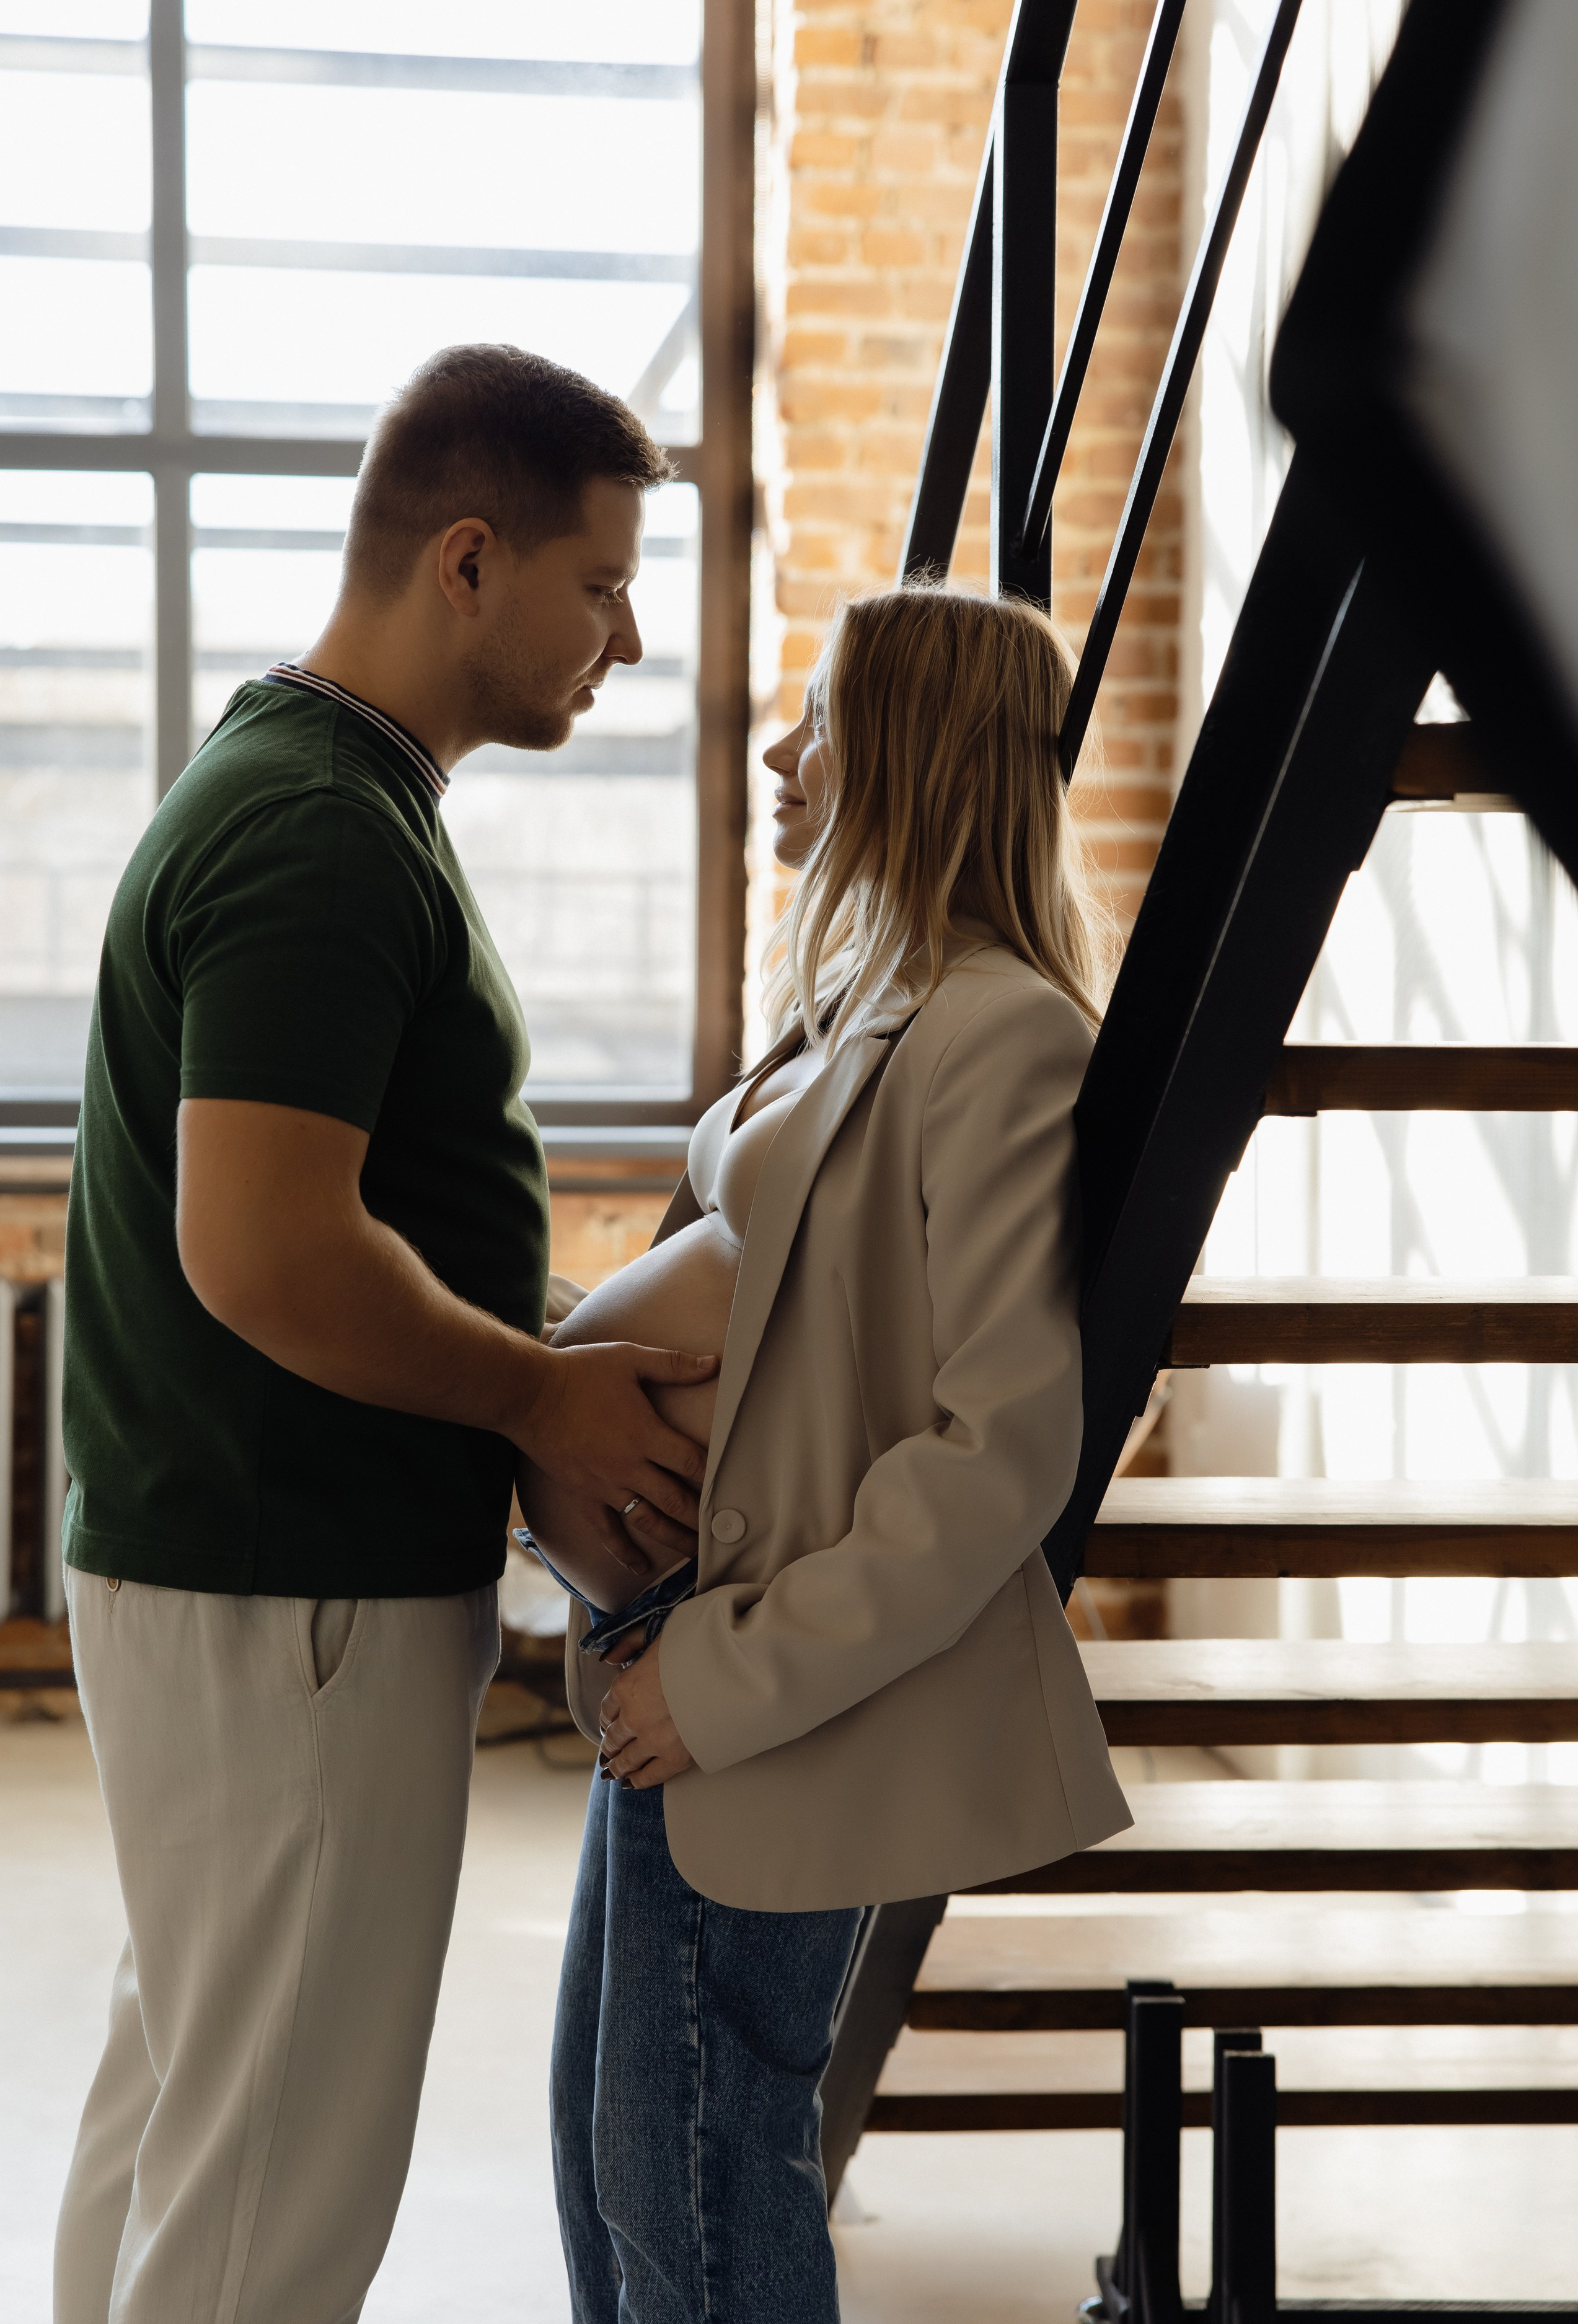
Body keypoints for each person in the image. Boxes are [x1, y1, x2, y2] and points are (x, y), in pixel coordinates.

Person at [53, 345, 715, 2324]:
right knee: (276, 2186)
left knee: (197, 2103)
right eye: (600, 584)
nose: (628, 634)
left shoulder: (323, 789)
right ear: (465, 561)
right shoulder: (317, 832)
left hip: (258, 1568)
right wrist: (542, 1396)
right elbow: (263, 1251)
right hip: (296, 1584)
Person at [531, 584, 1135, 2324]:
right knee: (621, 2171)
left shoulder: (1002, 1036)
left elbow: (995, 1451)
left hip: (762, 1690)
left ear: (920, 758)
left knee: (699, 2196)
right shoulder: (880, 1006)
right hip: (688, 1657)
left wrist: (718, 1684)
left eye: (821, 720)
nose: (783, 756)